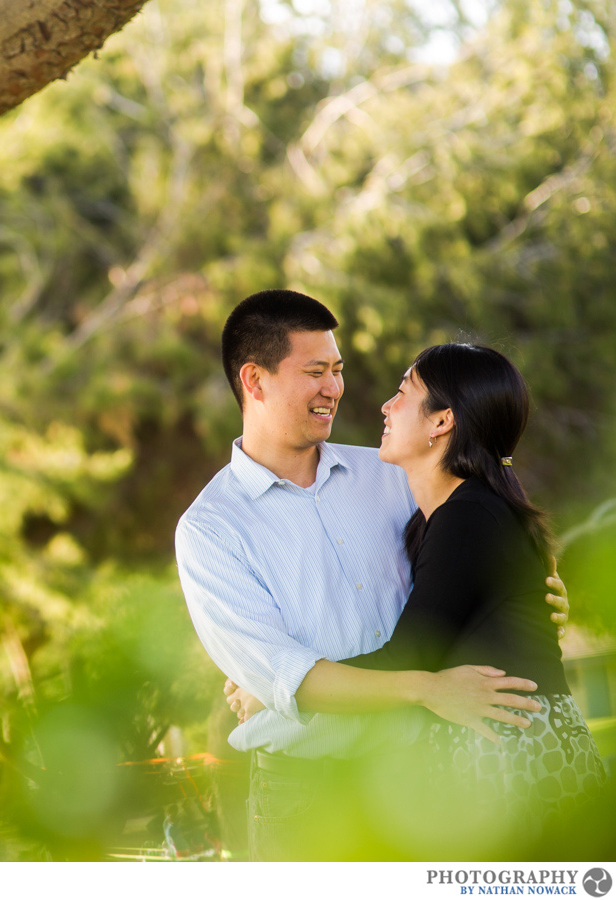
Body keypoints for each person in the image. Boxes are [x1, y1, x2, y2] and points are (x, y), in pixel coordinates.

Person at [173, 289, 569, 860]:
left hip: (425, 772)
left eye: (337, 370)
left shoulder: (391, 473)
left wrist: (541, 593)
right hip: (305, 793)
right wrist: (422, 688)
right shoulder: (211, 530)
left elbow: (487, 539)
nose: (334, 388)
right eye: (315, 372)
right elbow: (295, 680)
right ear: (254, 382)